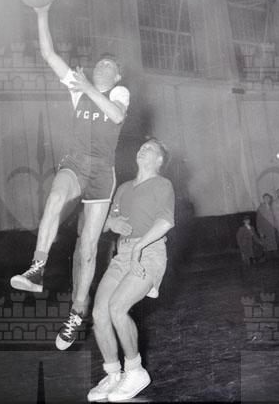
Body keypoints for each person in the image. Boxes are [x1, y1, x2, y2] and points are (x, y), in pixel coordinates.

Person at [10, 1, 130, 350]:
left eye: (109, 66)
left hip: (102, 172)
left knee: (89, 248)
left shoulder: (118, 93)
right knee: (55, 197)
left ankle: (77, 313)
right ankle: (37, 267)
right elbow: (49, 54)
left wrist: (88, 88)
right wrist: (41, 12)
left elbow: (116, 116)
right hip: (76, 162)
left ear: (116, 76)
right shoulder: (80, 88)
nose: (102, 67)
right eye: (100, 64)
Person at [87, 138, 174, 403]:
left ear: (159, 160)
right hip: (122, 254)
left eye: (150, 149)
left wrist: (138, 248)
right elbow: (101, 223)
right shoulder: (124, 188)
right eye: (141, 147)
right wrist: (111, 223)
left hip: (149, 252)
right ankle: (114, 374)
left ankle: (135, 371)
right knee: (99, 313)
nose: (142, 149)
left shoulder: (162, 184)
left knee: (117, 308)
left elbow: (165, 222)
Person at [256, 193, 278, 259]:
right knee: (267, 245)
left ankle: (275, 259)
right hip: (265, 230)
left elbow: (276, 218)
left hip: (272, 229)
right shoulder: (260, 208)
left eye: (268, 198)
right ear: (263, 199)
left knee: (274, 244)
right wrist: (260, 232)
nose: (267, 199)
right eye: (265, 198)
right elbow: (258, 221)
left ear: (270, 199)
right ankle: (269, 259)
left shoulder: (272, 207)